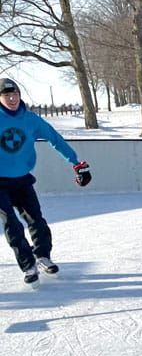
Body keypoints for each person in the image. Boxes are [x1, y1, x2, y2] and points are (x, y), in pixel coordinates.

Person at [0, 78, 92, 285]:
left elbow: (55, 139)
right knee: (12, 224)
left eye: (15, 94)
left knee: (36, 220)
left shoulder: (31, 120)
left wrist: (77, 163)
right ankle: (28, 265)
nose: (12, 99)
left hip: (22, 179)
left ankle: (42, 256)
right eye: (7, 95)